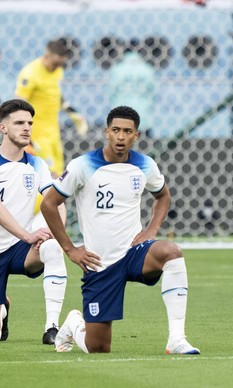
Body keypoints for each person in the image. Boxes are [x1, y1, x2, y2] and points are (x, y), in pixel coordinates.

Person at [40, 106, 200, 355]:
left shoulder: (145, 165)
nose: (121, 137)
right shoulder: (83, 165)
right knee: (98, 348)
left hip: (134, 252)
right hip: (99, 262)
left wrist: (151, 230)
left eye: (127, 131)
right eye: (116, 130)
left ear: (136, 135)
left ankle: (177, 338)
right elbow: (49, 203)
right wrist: (70, 249)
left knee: (171, 252)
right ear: (106, 132)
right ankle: (73, 323)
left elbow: (163, 196)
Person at [0, 98, 68, 345]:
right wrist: (28, 234)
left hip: (19, 248)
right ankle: (2, 306)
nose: (26, 128)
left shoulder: (37, 164)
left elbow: (57, 202)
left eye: (30, 123)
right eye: (19, 123)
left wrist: (56, 232)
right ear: (3, 127)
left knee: (52, 248)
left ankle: (52, 328)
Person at [15, 38, 88, 178]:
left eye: (61, 64)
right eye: (55, 63)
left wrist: (72, 113)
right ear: (46, 56)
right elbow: (19, 104)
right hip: (37, 133)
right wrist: (23, 134)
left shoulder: (57, 70)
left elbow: (55, 94)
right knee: (49, 175)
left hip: (53, 132)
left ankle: (54, 200)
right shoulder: (30, 73)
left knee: (60, 174)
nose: (57, 67)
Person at [109, 40, 157, 138]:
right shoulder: (148, 69)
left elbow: (111, 93)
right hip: (143, 119)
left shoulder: (117, 69)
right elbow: (153, 93)